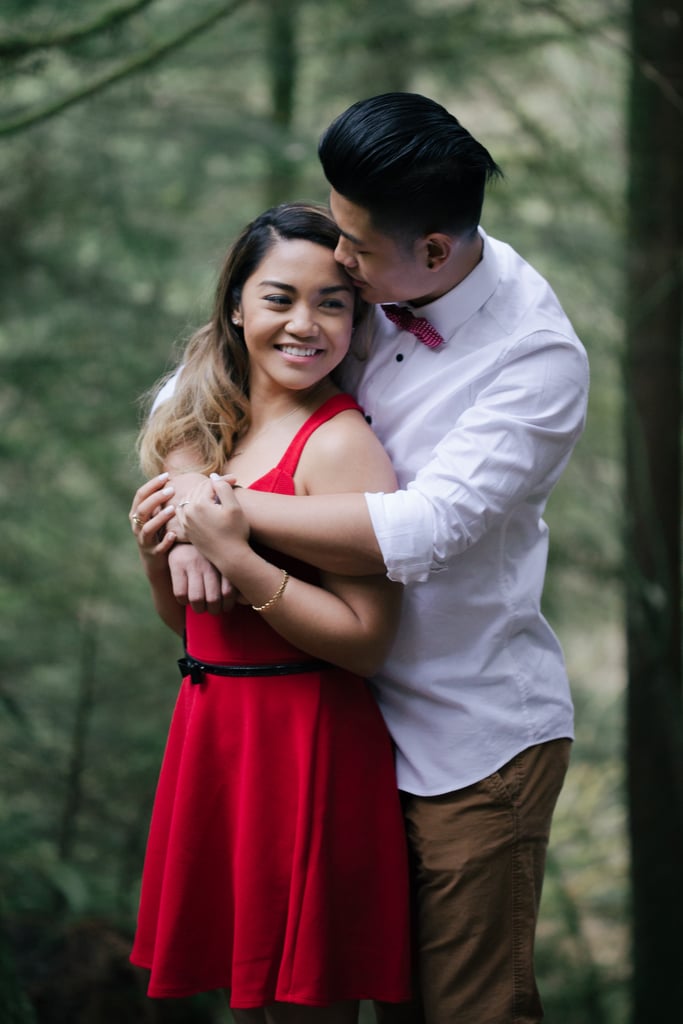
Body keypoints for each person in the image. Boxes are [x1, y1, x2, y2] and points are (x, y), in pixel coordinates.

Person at [159, 94, 589, 1024]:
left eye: (351, 251)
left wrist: (225, 520)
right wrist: (189, 480)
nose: (336, 260)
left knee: (460, 1012)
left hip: (464, 743)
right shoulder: (370, 273)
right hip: (335, 737)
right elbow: (214, 362)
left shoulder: (535, 360)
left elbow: (421, 531)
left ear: (434, 251)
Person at [127, 202, 411, 1023]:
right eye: (280, 297)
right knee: (242, 1003)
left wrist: (236, 554)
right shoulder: (207, 426)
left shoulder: (339, 443)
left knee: (304, 1004)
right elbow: (187, 628)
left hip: (307, 740)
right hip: (213, 726)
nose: (304, 324)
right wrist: (163, 550)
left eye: (332, 302)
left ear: (357, 318)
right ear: (236, 307)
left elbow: (367, 645)